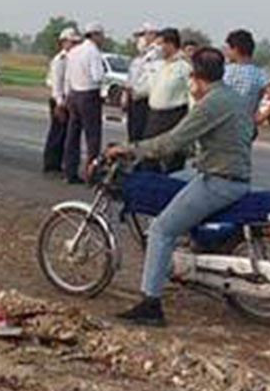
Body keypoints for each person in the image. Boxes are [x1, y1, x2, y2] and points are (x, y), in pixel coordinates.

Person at [104, 47, 255, 327]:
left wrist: (129, 149)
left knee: (162, 229)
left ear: (197, 78)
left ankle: (151, 303)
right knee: (171, 185)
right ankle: (185, 247)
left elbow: (172, 142)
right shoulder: (234, 98)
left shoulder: (211, 103)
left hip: (219, 181)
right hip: (226, 173)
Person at [63, 22, 108, 184]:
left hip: (74, 93)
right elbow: (97, 76)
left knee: (72, 135)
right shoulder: (93, 52)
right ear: (95, 35)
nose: (103, 39)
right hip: (89, 94)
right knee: (93, 137)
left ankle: (70, 171)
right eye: (101, 36)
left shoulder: (74, 51)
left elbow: (68, 76)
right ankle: (92, 174)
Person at [141, 27, 191, 172]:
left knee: (172, 160)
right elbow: (148, 88)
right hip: (154, 116)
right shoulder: (159, 65)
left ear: (170, 44)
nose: (158, 48)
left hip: (173, 116)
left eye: (161, 44)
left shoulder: (184, 68)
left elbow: (192, 97)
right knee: (149, 157)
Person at [222, 29, 270, 132]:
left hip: (224, 123)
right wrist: (260, 118)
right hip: (246, 125)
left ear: (235, 49)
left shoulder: (224, 71)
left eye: (228, 48)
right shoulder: (260, 74)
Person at [43, 28, 80, 172]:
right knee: (57, 132)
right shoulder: (60, 60)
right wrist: (59, 104)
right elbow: (56, 83)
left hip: (69, 100)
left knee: (65, 133)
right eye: (72, 42)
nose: (74, 45)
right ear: (64, 43)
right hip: (60, 100)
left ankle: (59, 162)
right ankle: (51, 163)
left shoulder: (74, 59)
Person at [125, 22, 161, 143]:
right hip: (134, 97)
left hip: (144, 98)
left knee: (139, 132)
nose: (139, 39)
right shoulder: (140, 56)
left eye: (142, 35)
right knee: (132, 131)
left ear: (152, 35)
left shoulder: (156, 54)